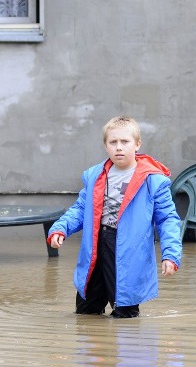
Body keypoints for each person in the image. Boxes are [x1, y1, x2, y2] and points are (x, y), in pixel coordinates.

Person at [47, 116, 183, 318]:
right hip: (95, 246)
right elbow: (81, 208)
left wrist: (171, 254)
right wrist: (60, 228)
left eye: (125, 142)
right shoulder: (95, 176)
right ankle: (93, 347)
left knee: (125, 313)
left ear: (137, 144)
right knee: (86, 312)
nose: (119, 147)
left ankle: (128, 347)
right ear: (106, 146)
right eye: (113, 142)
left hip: (128, 251)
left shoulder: (153, 180)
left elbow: (168, 219)